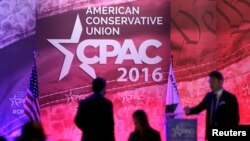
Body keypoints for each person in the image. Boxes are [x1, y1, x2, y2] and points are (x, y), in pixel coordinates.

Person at [184, 71, 239, 140]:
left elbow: (235, 119)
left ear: (220, 81)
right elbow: (199, 108)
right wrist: (189, 111)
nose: (211, 84)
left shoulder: (230, 98)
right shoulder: (208, 96)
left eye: (213, 81)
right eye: (210, 82)